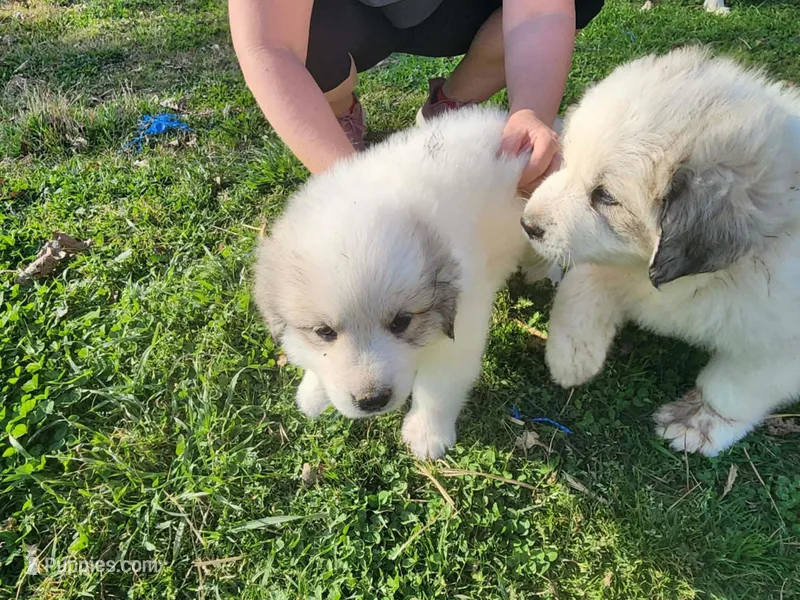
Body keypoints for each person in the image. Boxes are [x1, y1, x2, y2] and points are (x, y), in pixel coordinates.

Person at [229, 0, 604, 191]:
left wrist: (530, 112)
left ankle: (452, 103)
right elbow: (270, 45)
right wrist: (347, 183)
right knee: (308, 44)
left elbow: (538, 10)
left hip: (450, 12)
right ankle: (338, 113)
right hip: (340, 17)